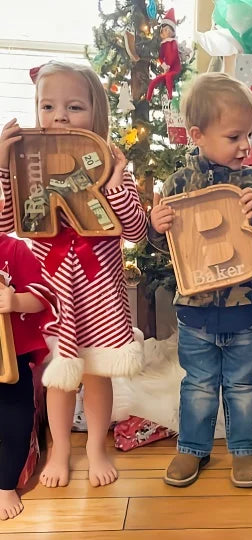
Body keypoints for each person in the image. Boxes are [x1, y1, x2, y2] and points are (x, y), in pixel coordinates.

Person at [0, 61, 147, 488]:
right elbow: (7, 222)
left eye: (74, 107)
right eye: (48, 106)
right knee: (59, 378)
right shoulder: (28, 165)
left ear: (97, 115)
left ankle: (96, 445)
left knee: (97, 374)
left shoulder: (111, 163)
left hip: (99, 286)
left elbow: (136, 229)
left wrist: (118, 184)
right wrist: (3, 168)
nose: (59, 116)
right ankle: (61, 450)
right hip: (53, 288)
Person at [149, 72, 252, 488]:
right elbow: (169, 255)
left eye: (249, 134)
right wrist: (154, 228)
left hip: (245, 309)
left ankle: (245, 451)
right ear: (198, 135)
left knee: (242, 386)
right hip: (194, 312)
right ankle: (192, 449)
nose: (246, 145)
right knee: (197, 384)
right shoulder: (177, 185)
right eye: (234, 136)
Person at [0, 181, 58, 520]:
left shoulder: (14, 250)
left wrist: (14, 300)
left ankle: (6, 485)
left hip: (12, 359)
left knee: (16, 421)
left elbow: (42, 297)